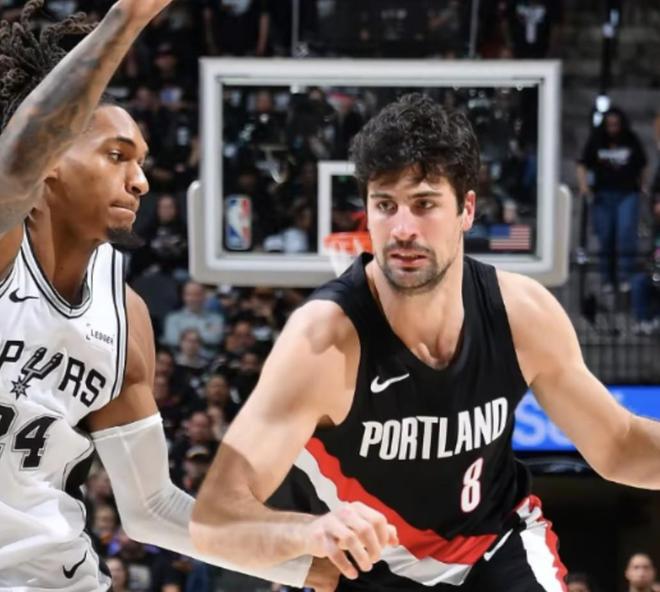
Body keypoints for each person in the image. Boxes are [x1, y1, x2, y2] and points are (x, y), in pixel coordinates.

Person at [191, 93, 660, 591]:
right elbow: (215, 521)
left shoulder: (521, 314)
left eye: (424, 204)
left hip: (495, 550)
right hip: (367, 569)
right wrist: (308, 532)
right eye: (385, 205)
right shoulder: (322, 343)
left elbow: (618, 446)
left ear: (466, 210)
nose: (402, 229)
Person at [0, 1, 315, 590]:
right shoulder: (4, 251)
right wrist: (125, 19)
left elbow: (151, 508)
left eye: (141, 162)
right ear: (52, 160)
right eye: (117, 155)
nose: (141, 181)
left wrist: (307, 565)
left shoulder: (124, 314)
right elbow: (13, 170)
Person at [576, 107, 649, 293]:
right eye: (609, 125)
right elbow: (582, 163)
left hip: (627, 194)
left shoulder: (631, 139)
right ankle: (606, 279)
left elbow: (643, 164)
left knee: (626, 234)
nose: (613, 128)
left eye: (616, 124)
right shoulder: (597, 139)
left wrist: (643, 185)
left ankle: (625, 277)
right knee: (605, 236)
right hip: (603, 194)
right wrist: (583, 185)